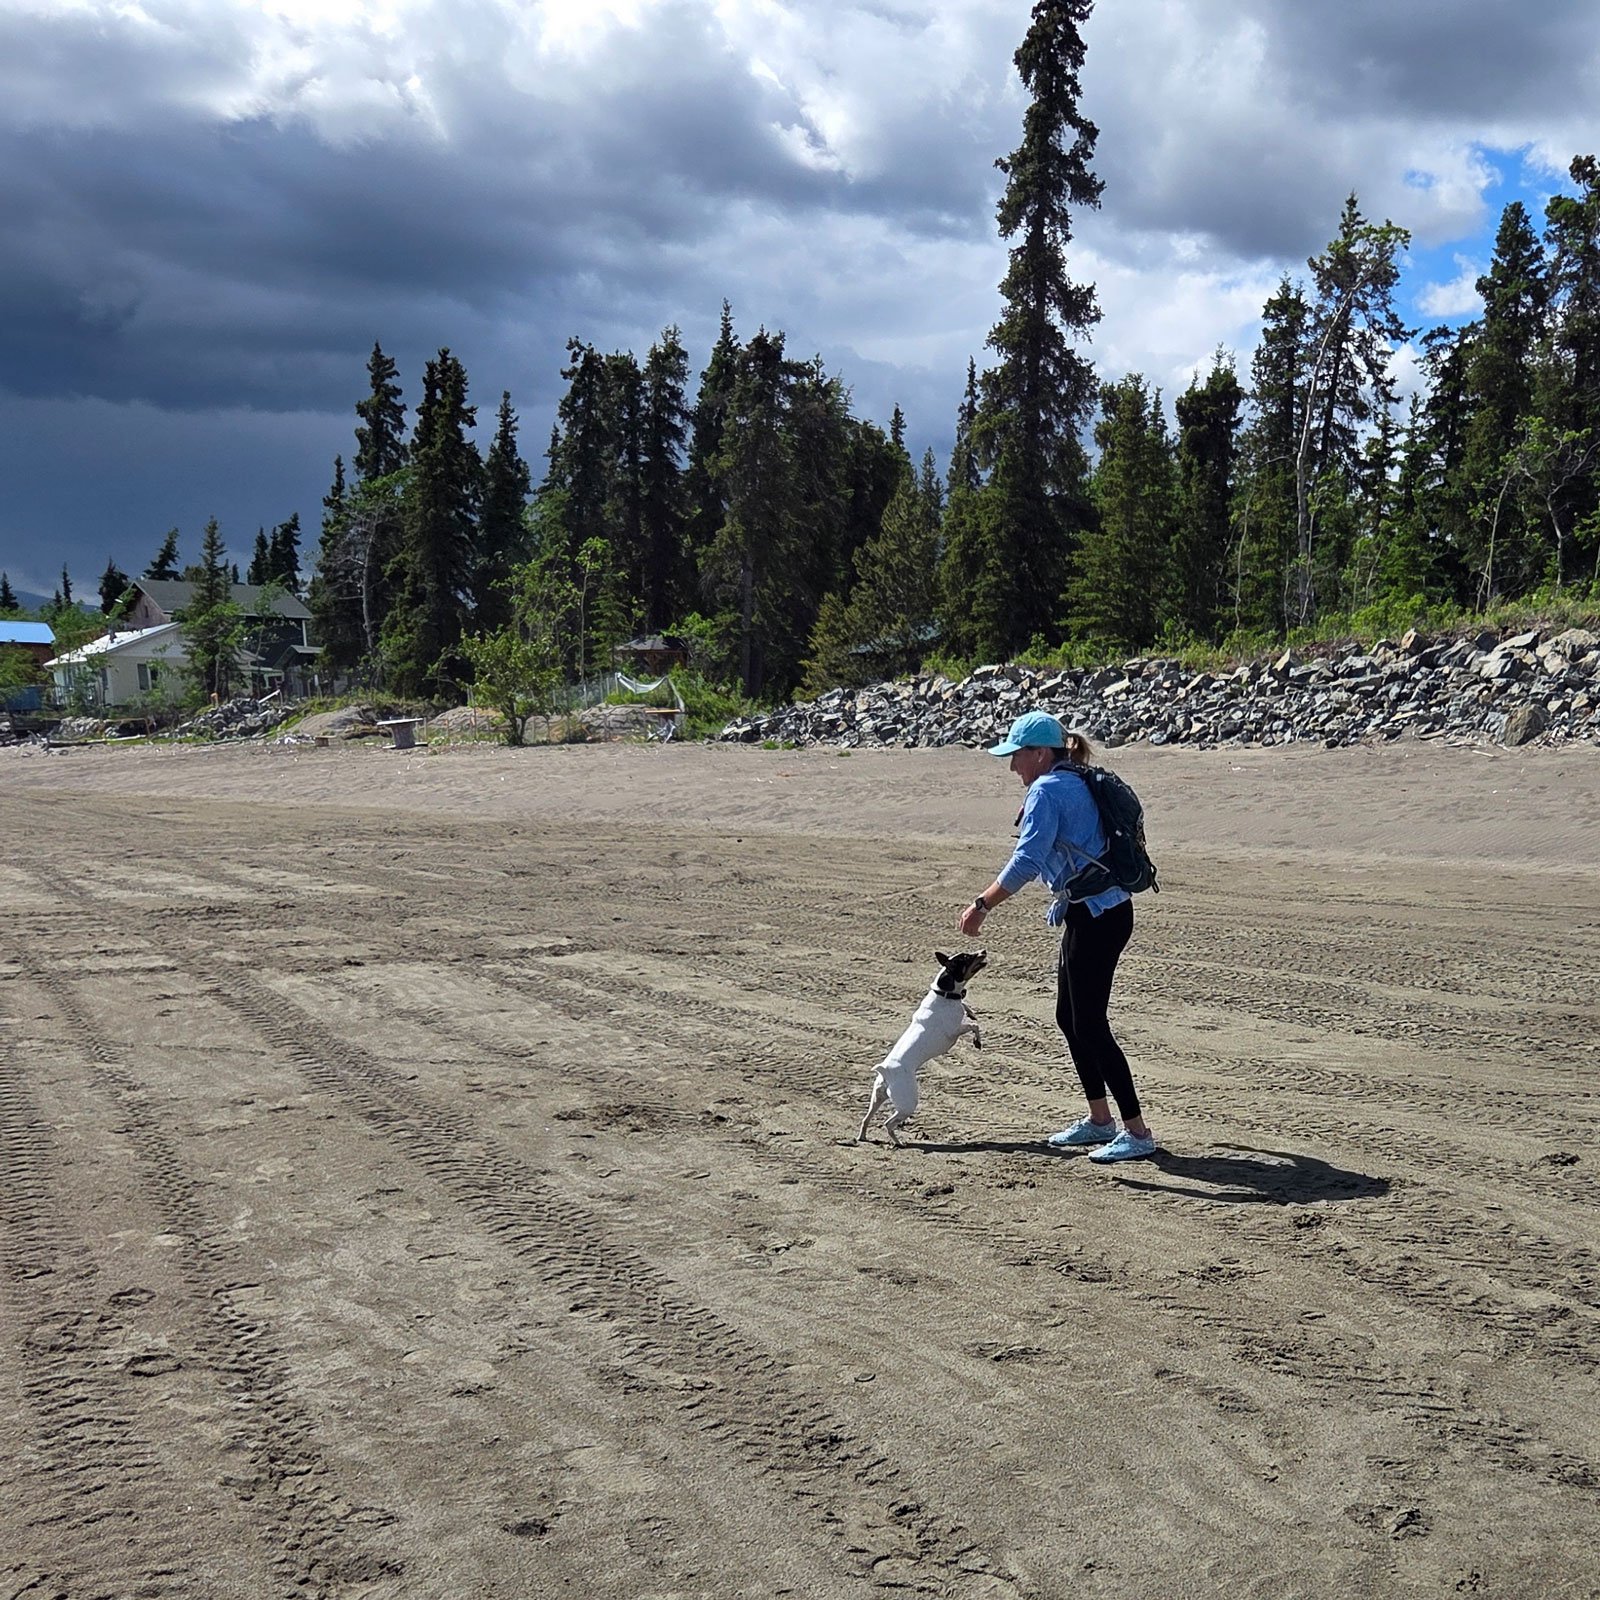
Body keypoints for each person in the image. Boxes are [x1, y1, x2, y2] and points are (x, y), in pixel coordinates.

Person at [956, 710, 1155, 1162]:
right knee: (1070, 1017)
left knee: (1090, 1023)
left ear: (1040, 754)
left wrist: (981, 905)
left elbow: (1027, 861)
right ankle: (1100, 1121)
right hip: (1095, 911)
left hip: (1098, 916)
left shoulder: (1048, 789)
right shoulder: (1074, 778)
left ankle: (1137, 1132)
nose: (1012, 767)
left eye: (1017, 757)